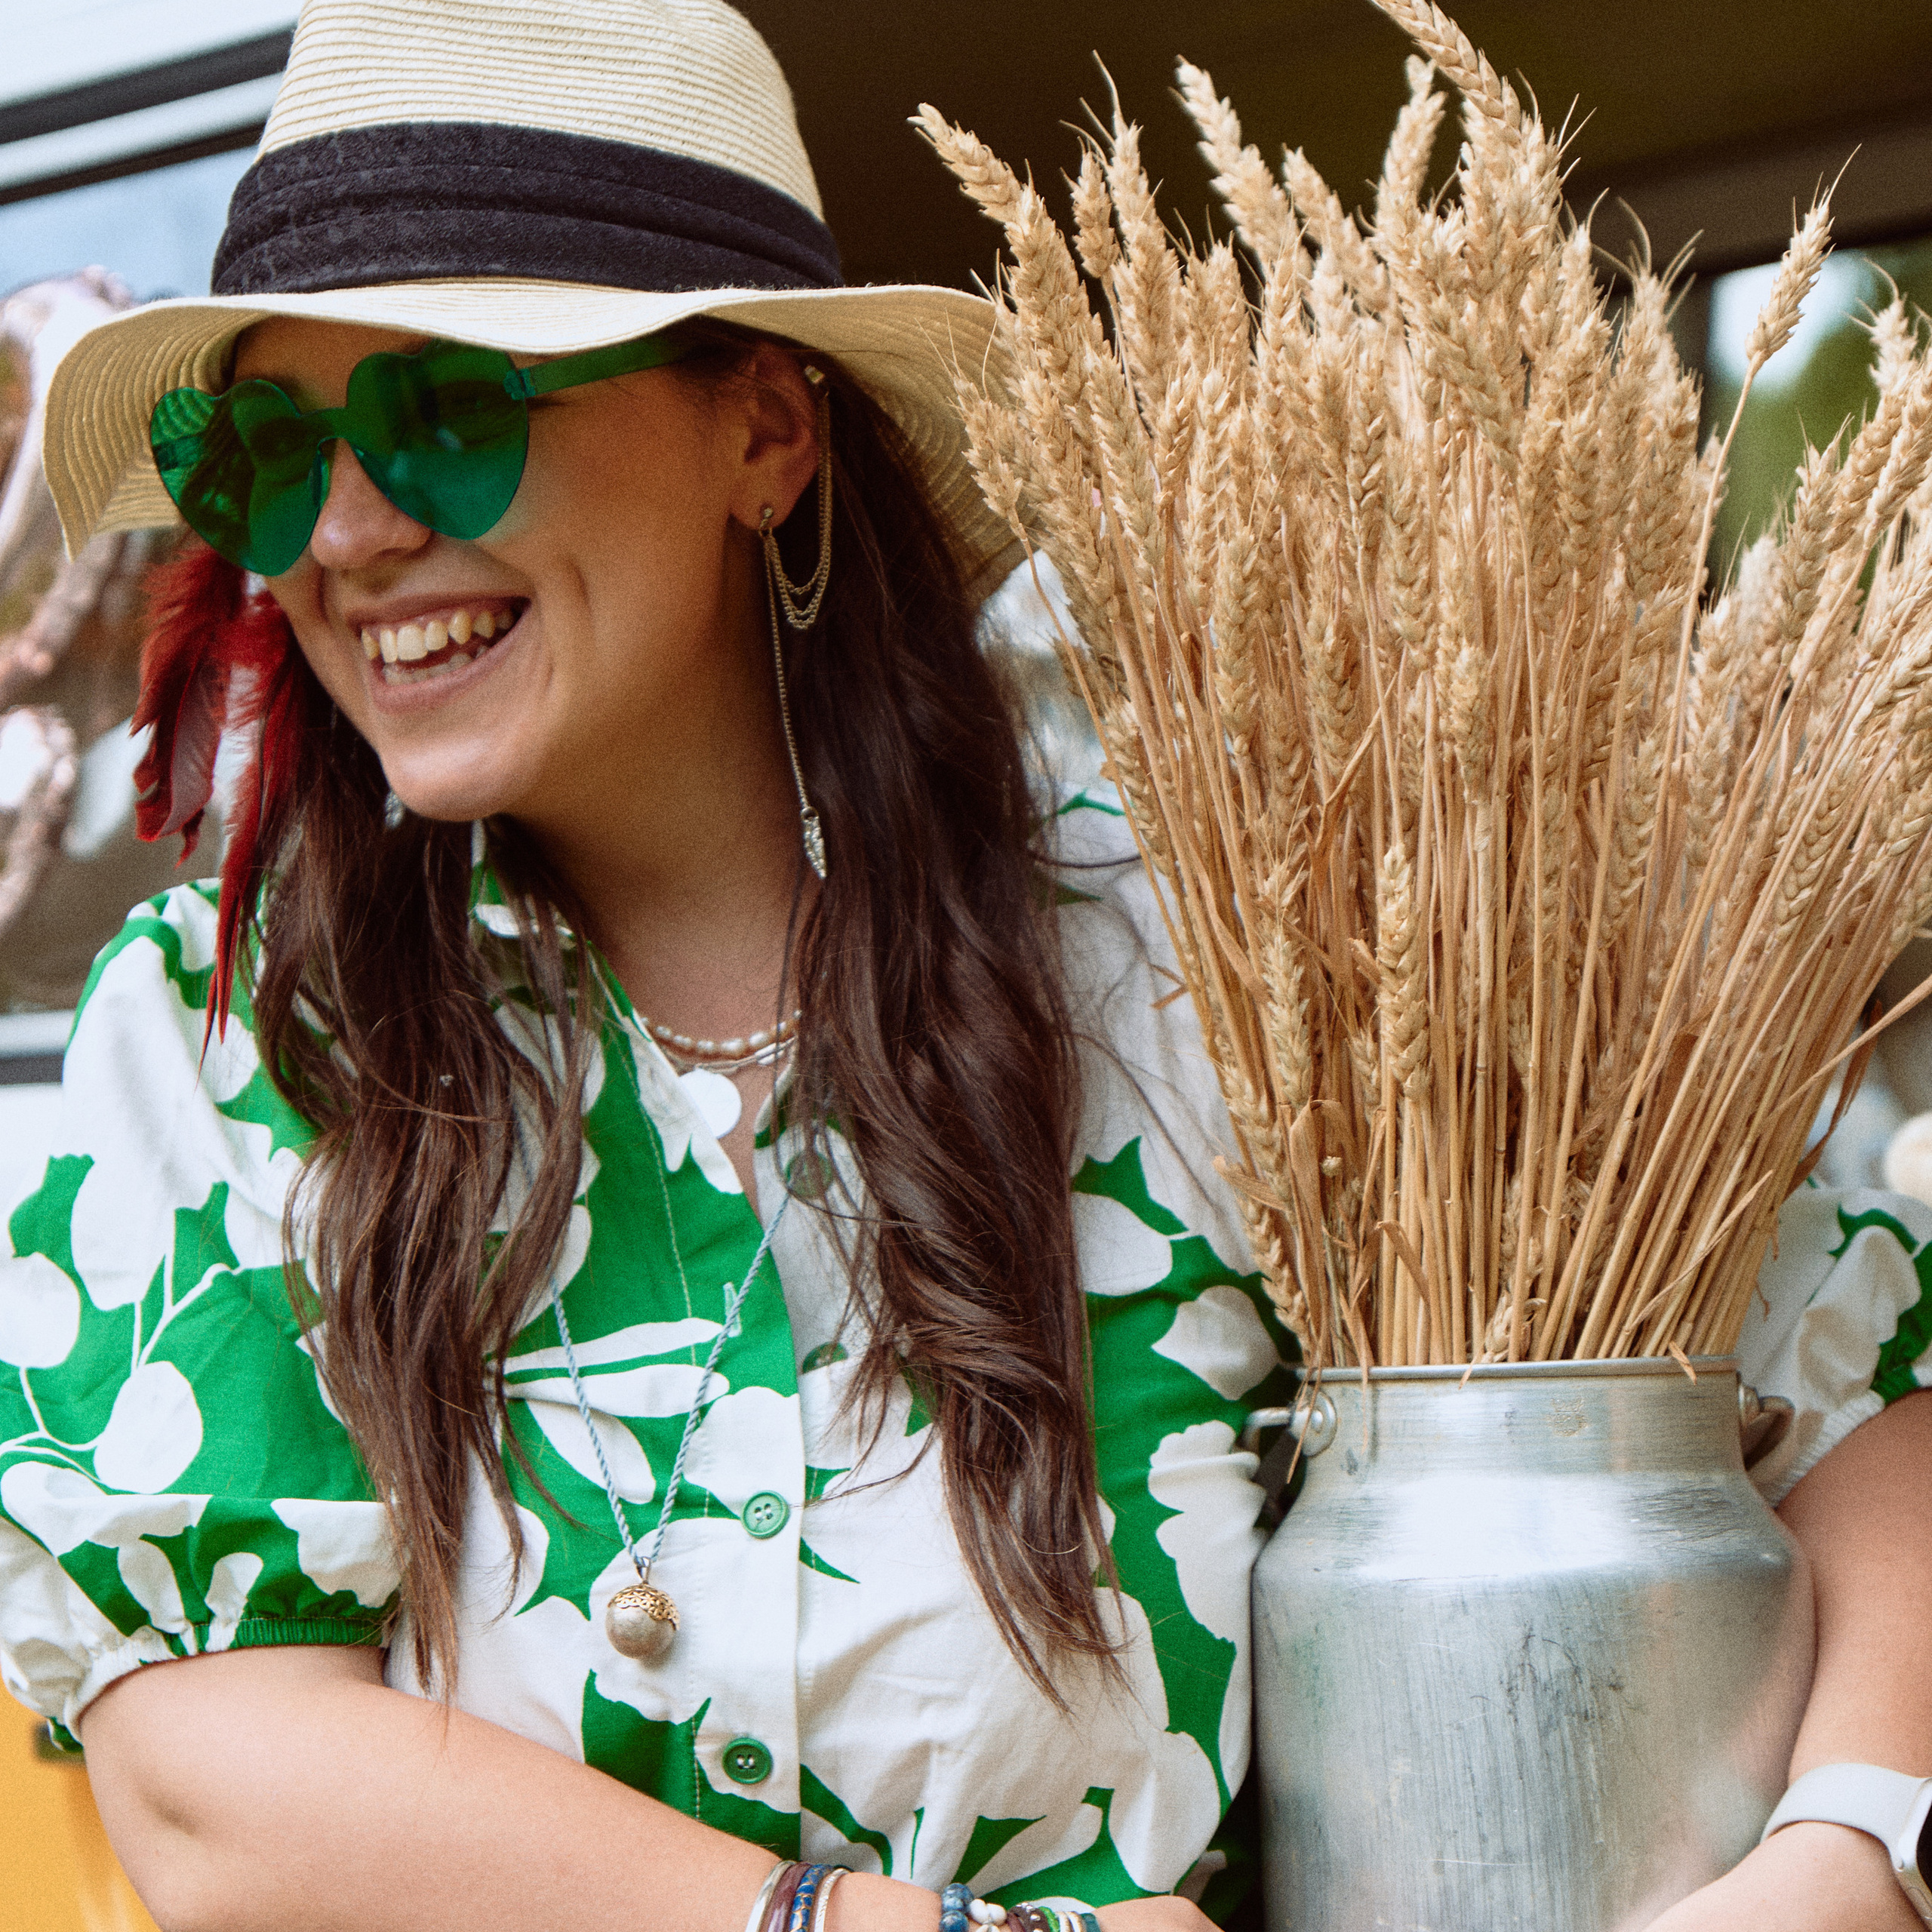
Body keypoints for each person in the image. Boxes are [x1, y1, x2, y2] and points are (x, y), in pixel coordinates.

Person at [0, 5, 1926, 1932]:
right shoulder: (244, 1033)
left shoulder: (1242, 968)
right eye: (266, 451)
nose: (343, 530)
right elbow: (210, 1777)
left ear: (760, 428)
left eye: (444, 412)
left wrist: (1849, 1854)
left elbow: (1856, 1378)